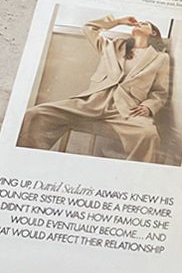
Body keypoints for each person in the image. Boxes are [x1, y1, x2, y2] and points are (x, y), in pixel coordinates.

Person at [18, 14, 170, 163]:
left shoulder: (160, 58)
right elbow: (88, 28)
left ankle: (135, 176)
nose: (139, 23)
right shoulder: (113, 46)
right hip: (92, 101)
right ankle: (26, 161)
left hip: (126, 109)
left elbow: (160, 92)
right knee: (35, 114)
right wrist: (118, 21)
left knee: (149, 135)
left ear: (153, 32)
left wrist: (148, 107)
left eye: (144, 23)